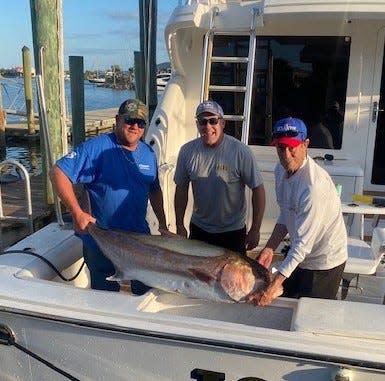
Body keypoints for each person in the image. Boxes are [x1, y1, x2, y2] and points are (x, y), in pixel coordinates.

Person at [49, 99, 169, 294]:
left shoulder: (148, 153)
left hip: (138, 240)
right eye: (130, 120)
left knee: (145, 292)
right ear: (117, 120)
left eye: (140, 123)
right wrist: (77, 213)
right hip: (101, 240)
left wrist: (163, 224)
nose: (135, 126)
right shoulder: (95, 148)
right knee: (103, 295)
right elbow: (58, 172)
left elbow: (154, 190)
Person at [251, 117, 347, 306]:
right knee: (285, 301)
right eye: (280, 148)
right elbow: (287, 213)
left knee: (311, 316)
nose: (286, 155)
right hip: (301, 255)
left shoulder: (313, 187)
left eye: (292, 147)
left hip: (325, 261)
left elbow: (302, 246)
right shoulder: (280, 170)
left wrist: (273, 287)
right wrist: (270, 247)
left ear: (305, 145)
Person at [174, 100, 265, 256]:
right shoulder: (186, 151)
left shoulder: (241, 152)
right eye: (203, 122)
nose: (208, 127)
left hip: (233, 232)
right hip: (199, 230)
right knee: (199, 278)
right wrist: (180, 225)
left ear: (222, 123)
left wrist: (255, 228)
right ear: (197, 125)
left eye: (213, 121)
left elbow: (258, 189)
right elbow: (181, 189)